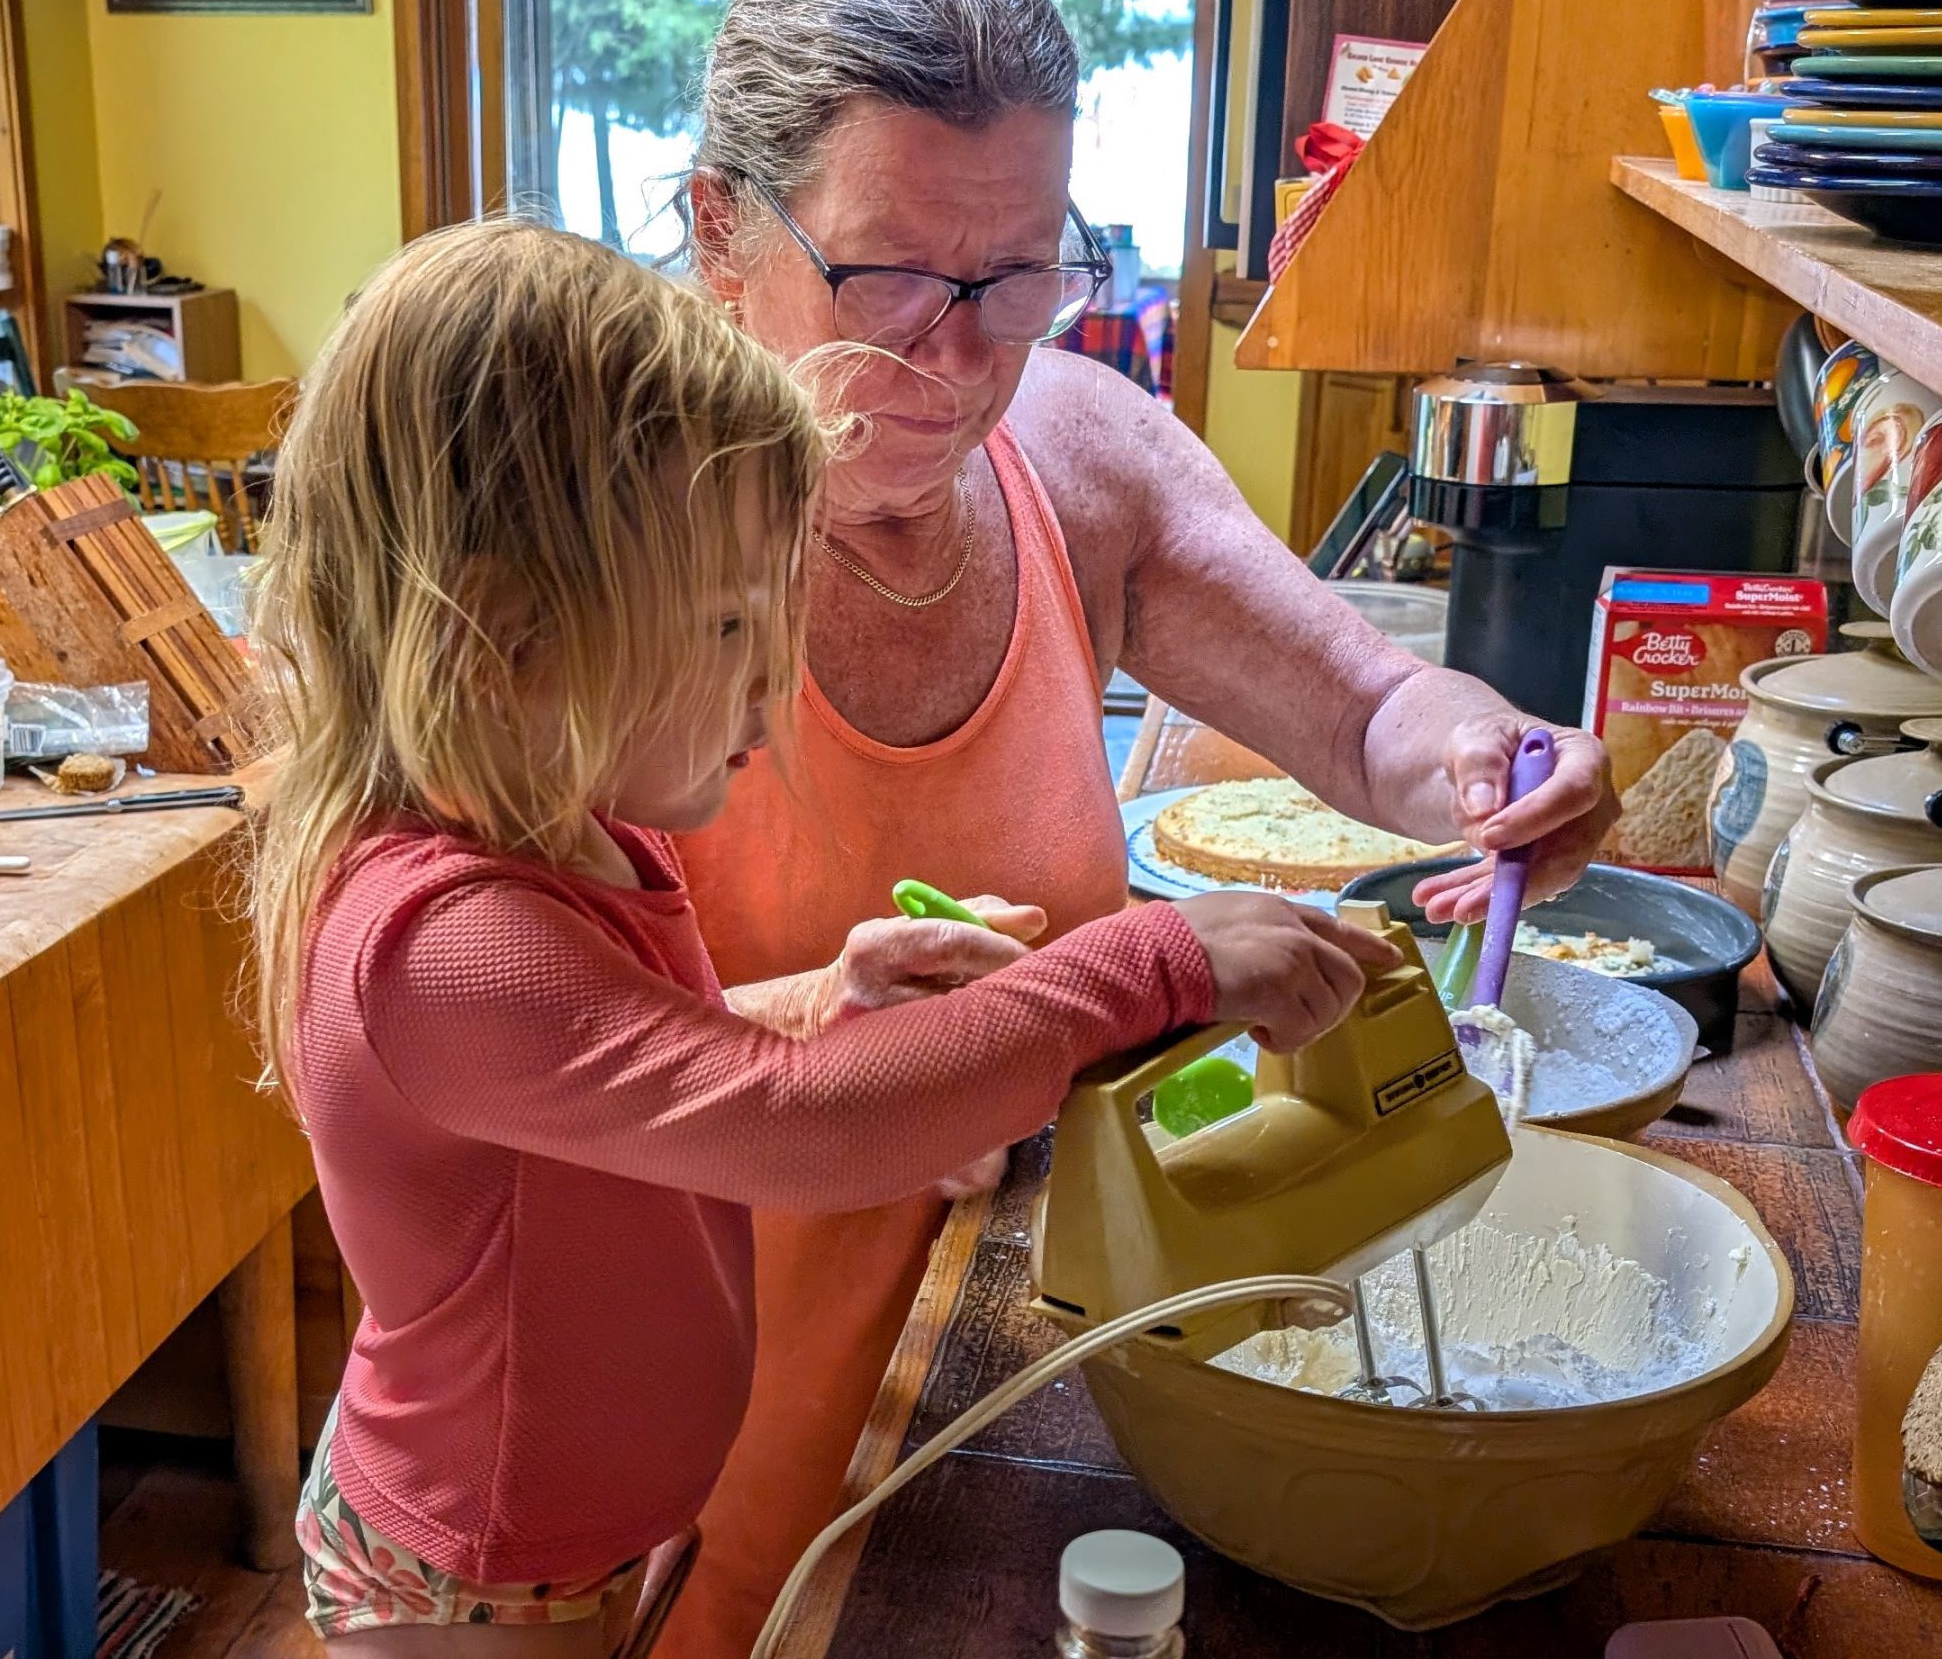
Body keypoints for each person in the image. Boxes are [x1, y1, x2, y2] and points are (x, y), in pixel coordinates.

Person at [655, 0, 1621, 1659]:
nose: (962, 360)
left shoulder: (1072, 454)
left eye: (1021, 276)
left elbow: (1370, 712)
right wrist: (832, 1039)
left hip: (1000, 1371)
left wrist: (1493, 757)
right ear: (723, 225)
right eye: (890, 280)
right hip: (665, 1440)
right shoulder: (593, 521)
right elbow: (452, 1046)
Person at [247, 219, 1404, 1653]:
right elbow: (794, 1131)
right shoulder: (441, 942)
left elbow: (623, 1084)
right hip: (472, 1586)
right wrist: (1155, 964)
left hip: (569, 1544)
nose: (776, 671)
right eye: (728, 624)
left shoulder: (566, 832)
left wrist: (815, 1001)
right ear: (506, 638)